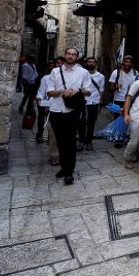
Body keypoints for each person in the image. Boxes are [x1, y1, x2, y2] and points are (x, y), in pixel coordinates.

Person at [46, 47, 93, 185]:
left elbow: (88, 92)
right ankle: (64, 167)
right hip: (56, 110)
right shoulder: (55, 71)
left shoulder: (83, 72)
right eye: (68, 54)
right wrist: (62, 91)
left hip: (73, 111)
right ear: (65, 55)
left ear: (77, 57)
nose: (71, 56)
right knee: (60, 141)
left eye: (73, 55)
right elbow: (49, 93)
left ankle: (69, 172)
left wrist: (77, 90)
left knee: (70, 141)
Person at [77, 57, 104, 151]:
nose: (91, 63)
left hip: (94, 102)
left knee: (91, 123)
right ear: (86, 63)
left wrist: (100, 102)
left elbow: (101, 90)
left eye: (93, 62)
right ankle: (81, 141)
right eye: (89, 62)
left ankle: (88, 142)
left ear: (96, 63)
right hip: (82, 102)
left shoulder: (101, 76)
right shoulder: (81, 74)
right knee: (81, 123)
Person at [109, 56, 136, 148]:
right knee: (118, 121)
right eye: (126, 61)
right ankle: (118, 140)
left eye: (129, 62)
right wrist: (116, 86)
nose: (128, 63)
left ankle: (127, 138)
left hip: (131, 100)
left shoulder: (135, 73)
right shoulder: (116, 72)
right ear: (123, 62)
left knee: (129, 120)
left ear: (132, 64)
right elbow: (110, 87)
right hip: (118, 100)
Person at [34, 59, 57, 144]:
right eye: (49, 66)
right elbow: (41, 90)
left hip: (56, 103)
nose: (51, 67)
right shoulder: (45, 78)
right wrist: (39, 98)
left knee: (52, 121)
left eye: (53, 66)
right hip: (45, 101)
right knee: (41, 118)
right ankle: (39, 134)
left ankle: (51, 137)